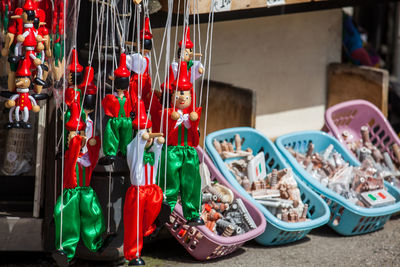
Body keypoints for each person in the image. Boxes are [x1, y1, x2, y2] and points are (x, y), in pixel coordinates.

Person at [159, 61, 204, 225]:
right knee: (169, 182)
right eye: (179, 94)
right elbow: (165, 130)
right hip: (172, 152)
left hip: (189, 152)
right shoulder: (168, 113)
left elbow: (195, 138)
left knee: (191, 183)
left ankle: (193, 213)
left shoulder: (193, 114)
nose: (183, 98)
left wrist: (193, 122)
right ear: (172, 97)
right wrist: (174, 119)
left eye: (186, 95)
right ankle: (164, 209)